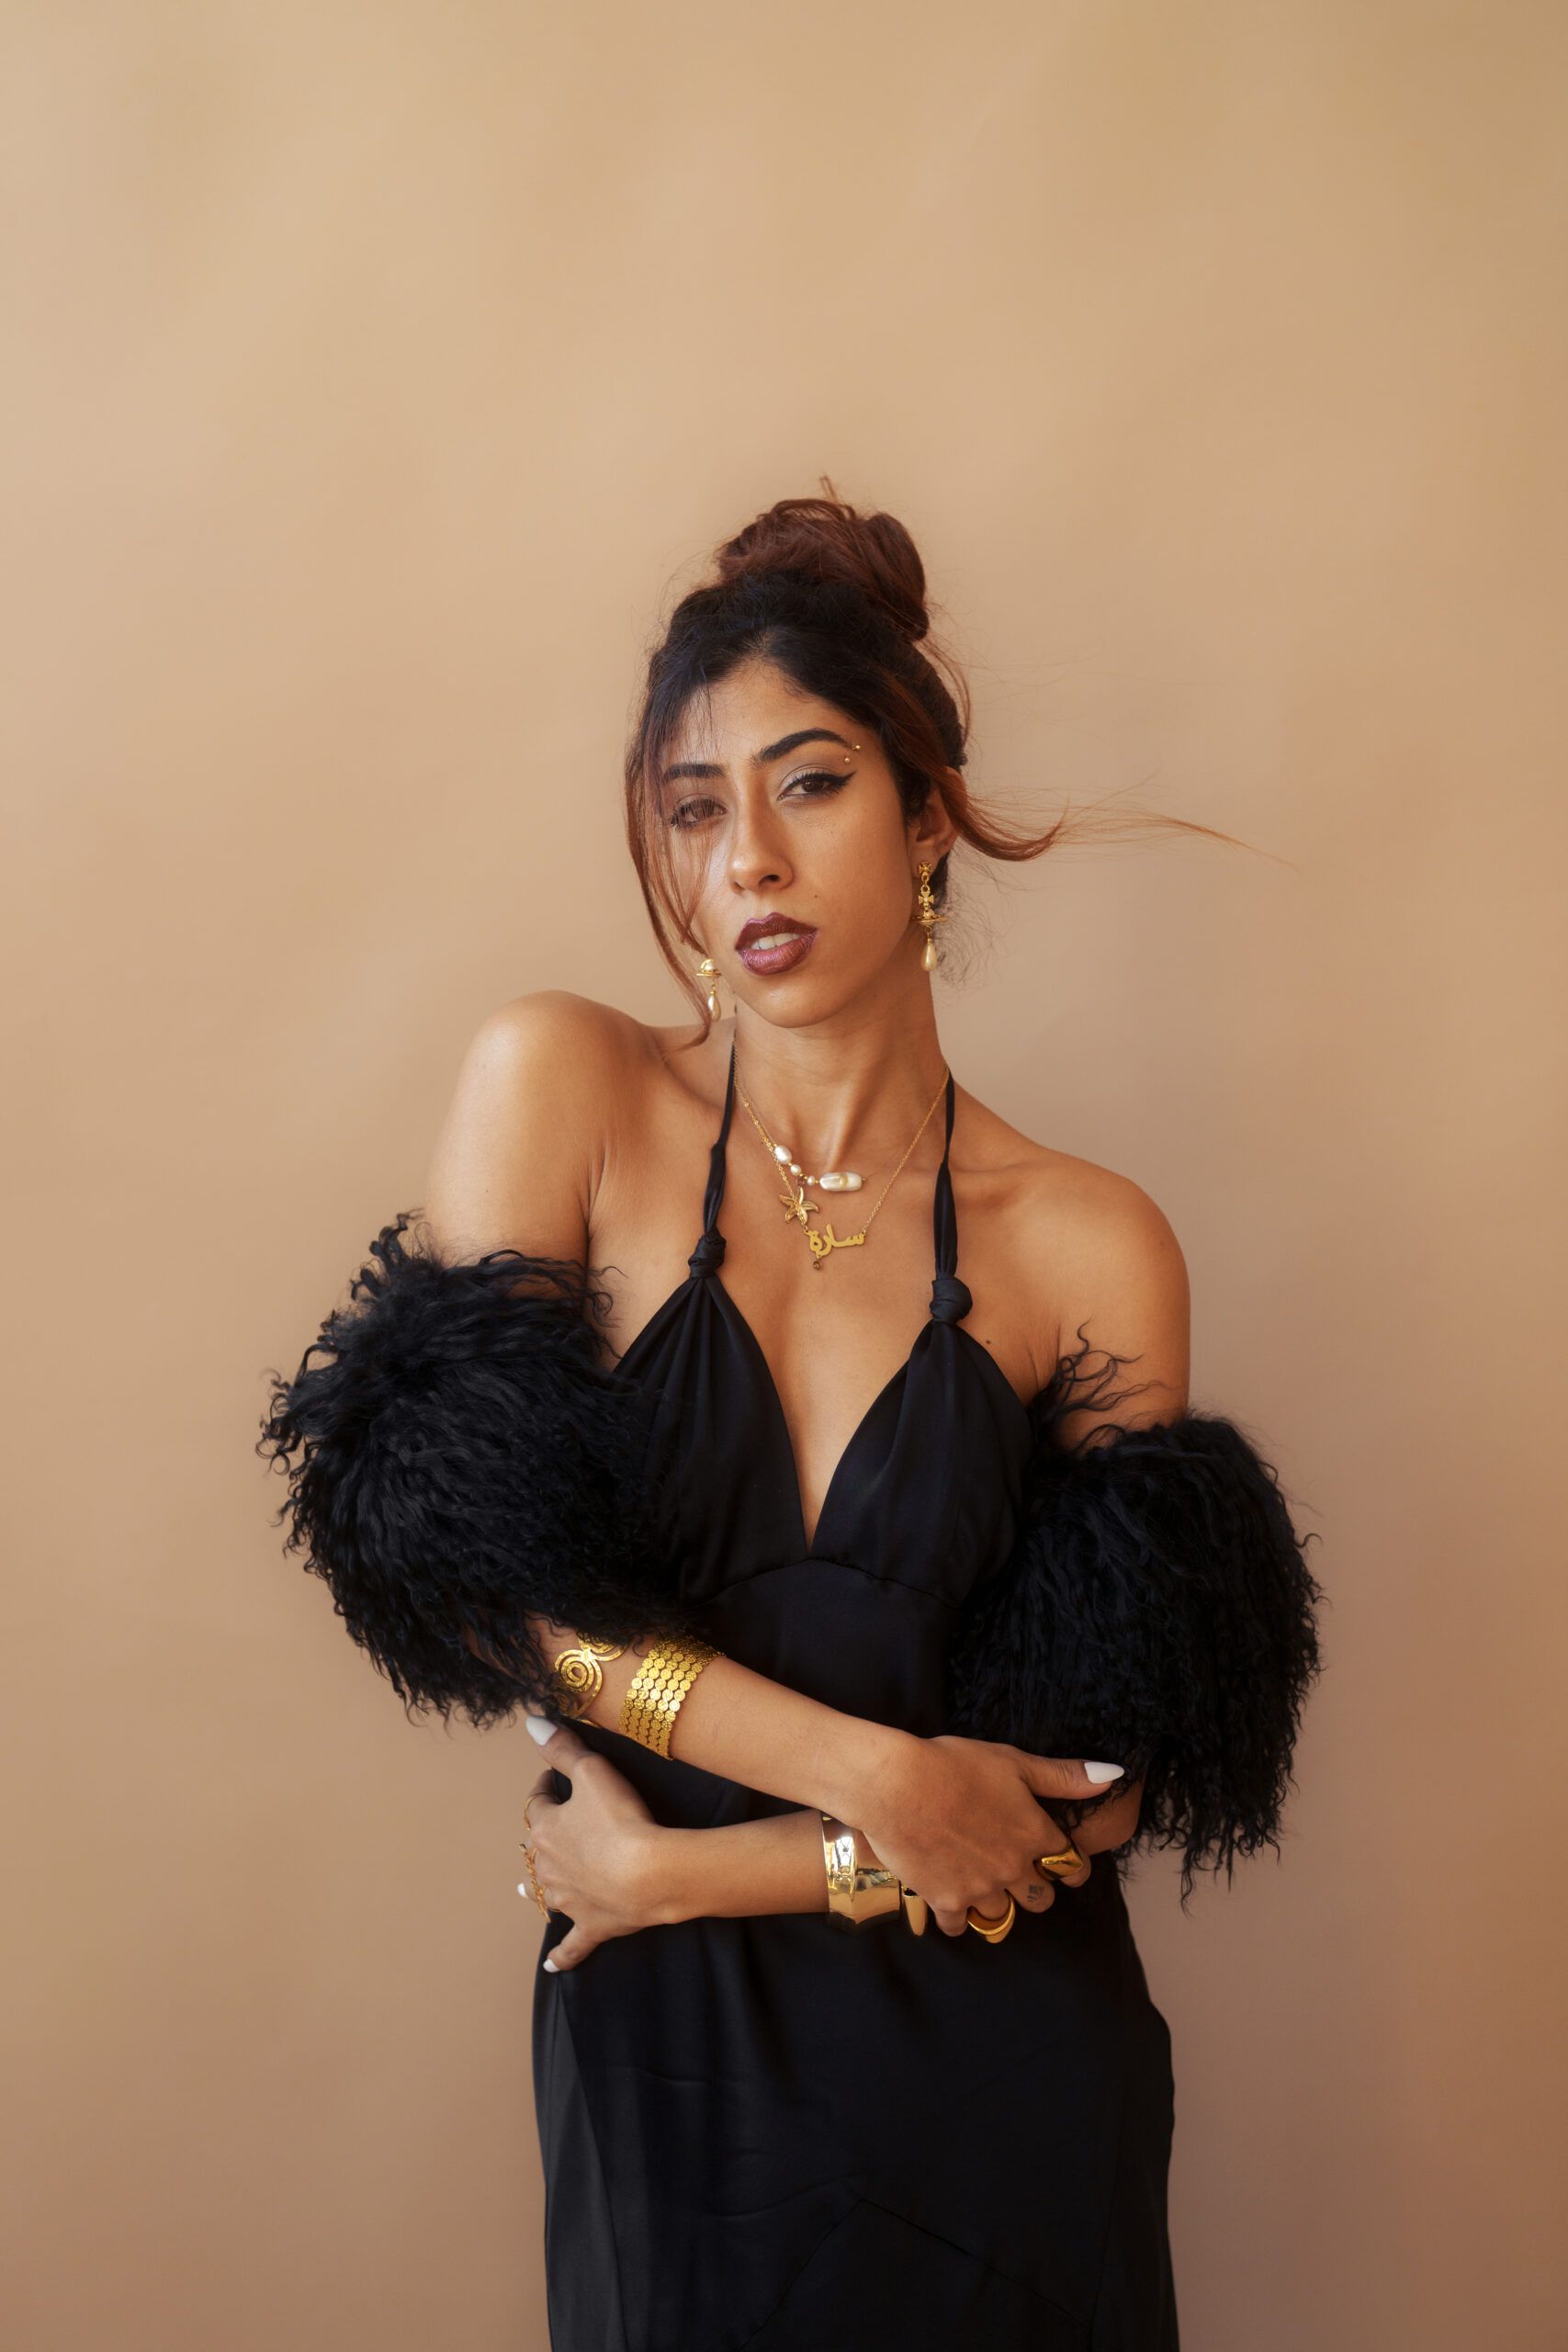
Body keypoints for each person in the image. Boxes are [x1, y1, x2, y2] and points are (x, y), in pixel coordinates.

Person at [260, 482, 1325, 2350]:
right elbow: (483, 1591)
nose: (745, 858)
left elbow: (1083, 1797)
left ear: (924, 817)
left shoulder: (1088, 1239)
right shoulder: (564, 1088)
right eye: (694, 808)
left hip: (1000, 2084)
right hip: (674, 2074)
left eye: (809, 783)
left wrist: (684, 1870)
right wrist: (870, 1775)